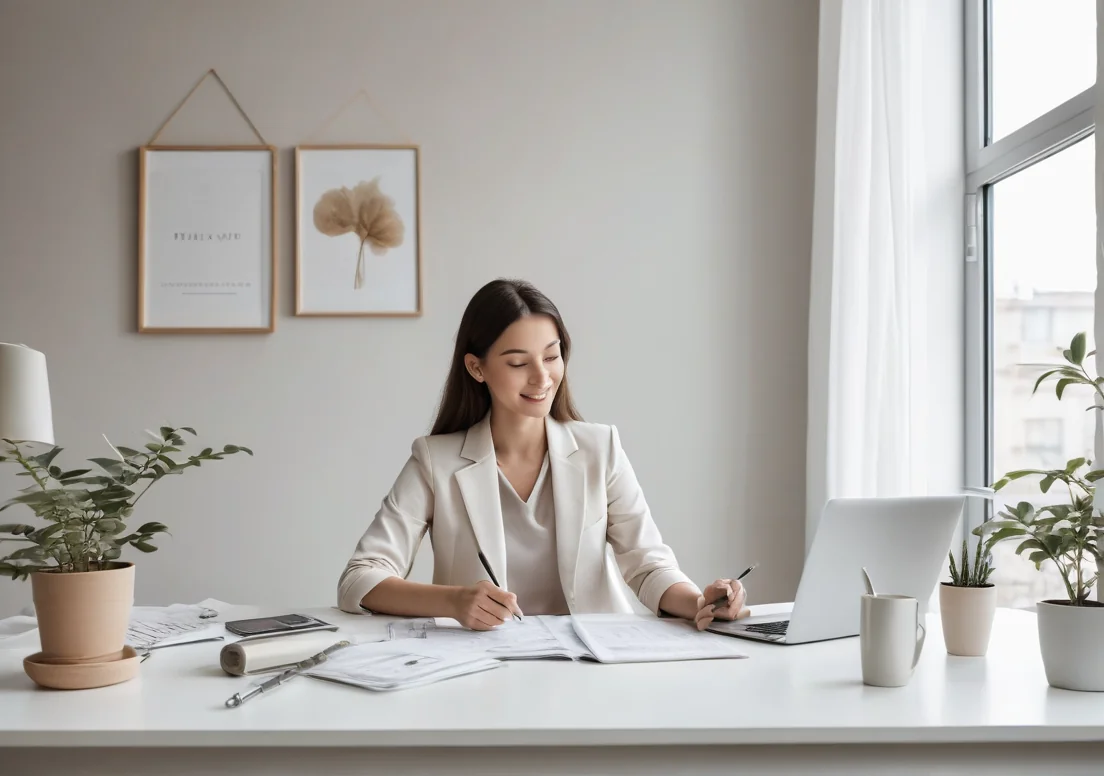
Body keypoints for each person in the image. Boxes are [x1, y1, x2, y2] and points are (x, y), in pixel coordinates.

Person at [337, 278, 751, 631]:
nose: (542, 377)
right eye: (518, 362)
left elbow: (647, 565)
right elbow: (359, 579)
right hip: (484, 669)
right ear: (477, 368)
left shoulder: (599, 448)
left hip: (591, 663)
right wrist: (454, 602)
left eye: (552, 357)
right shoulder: (435, 461)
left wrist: (700, 602)